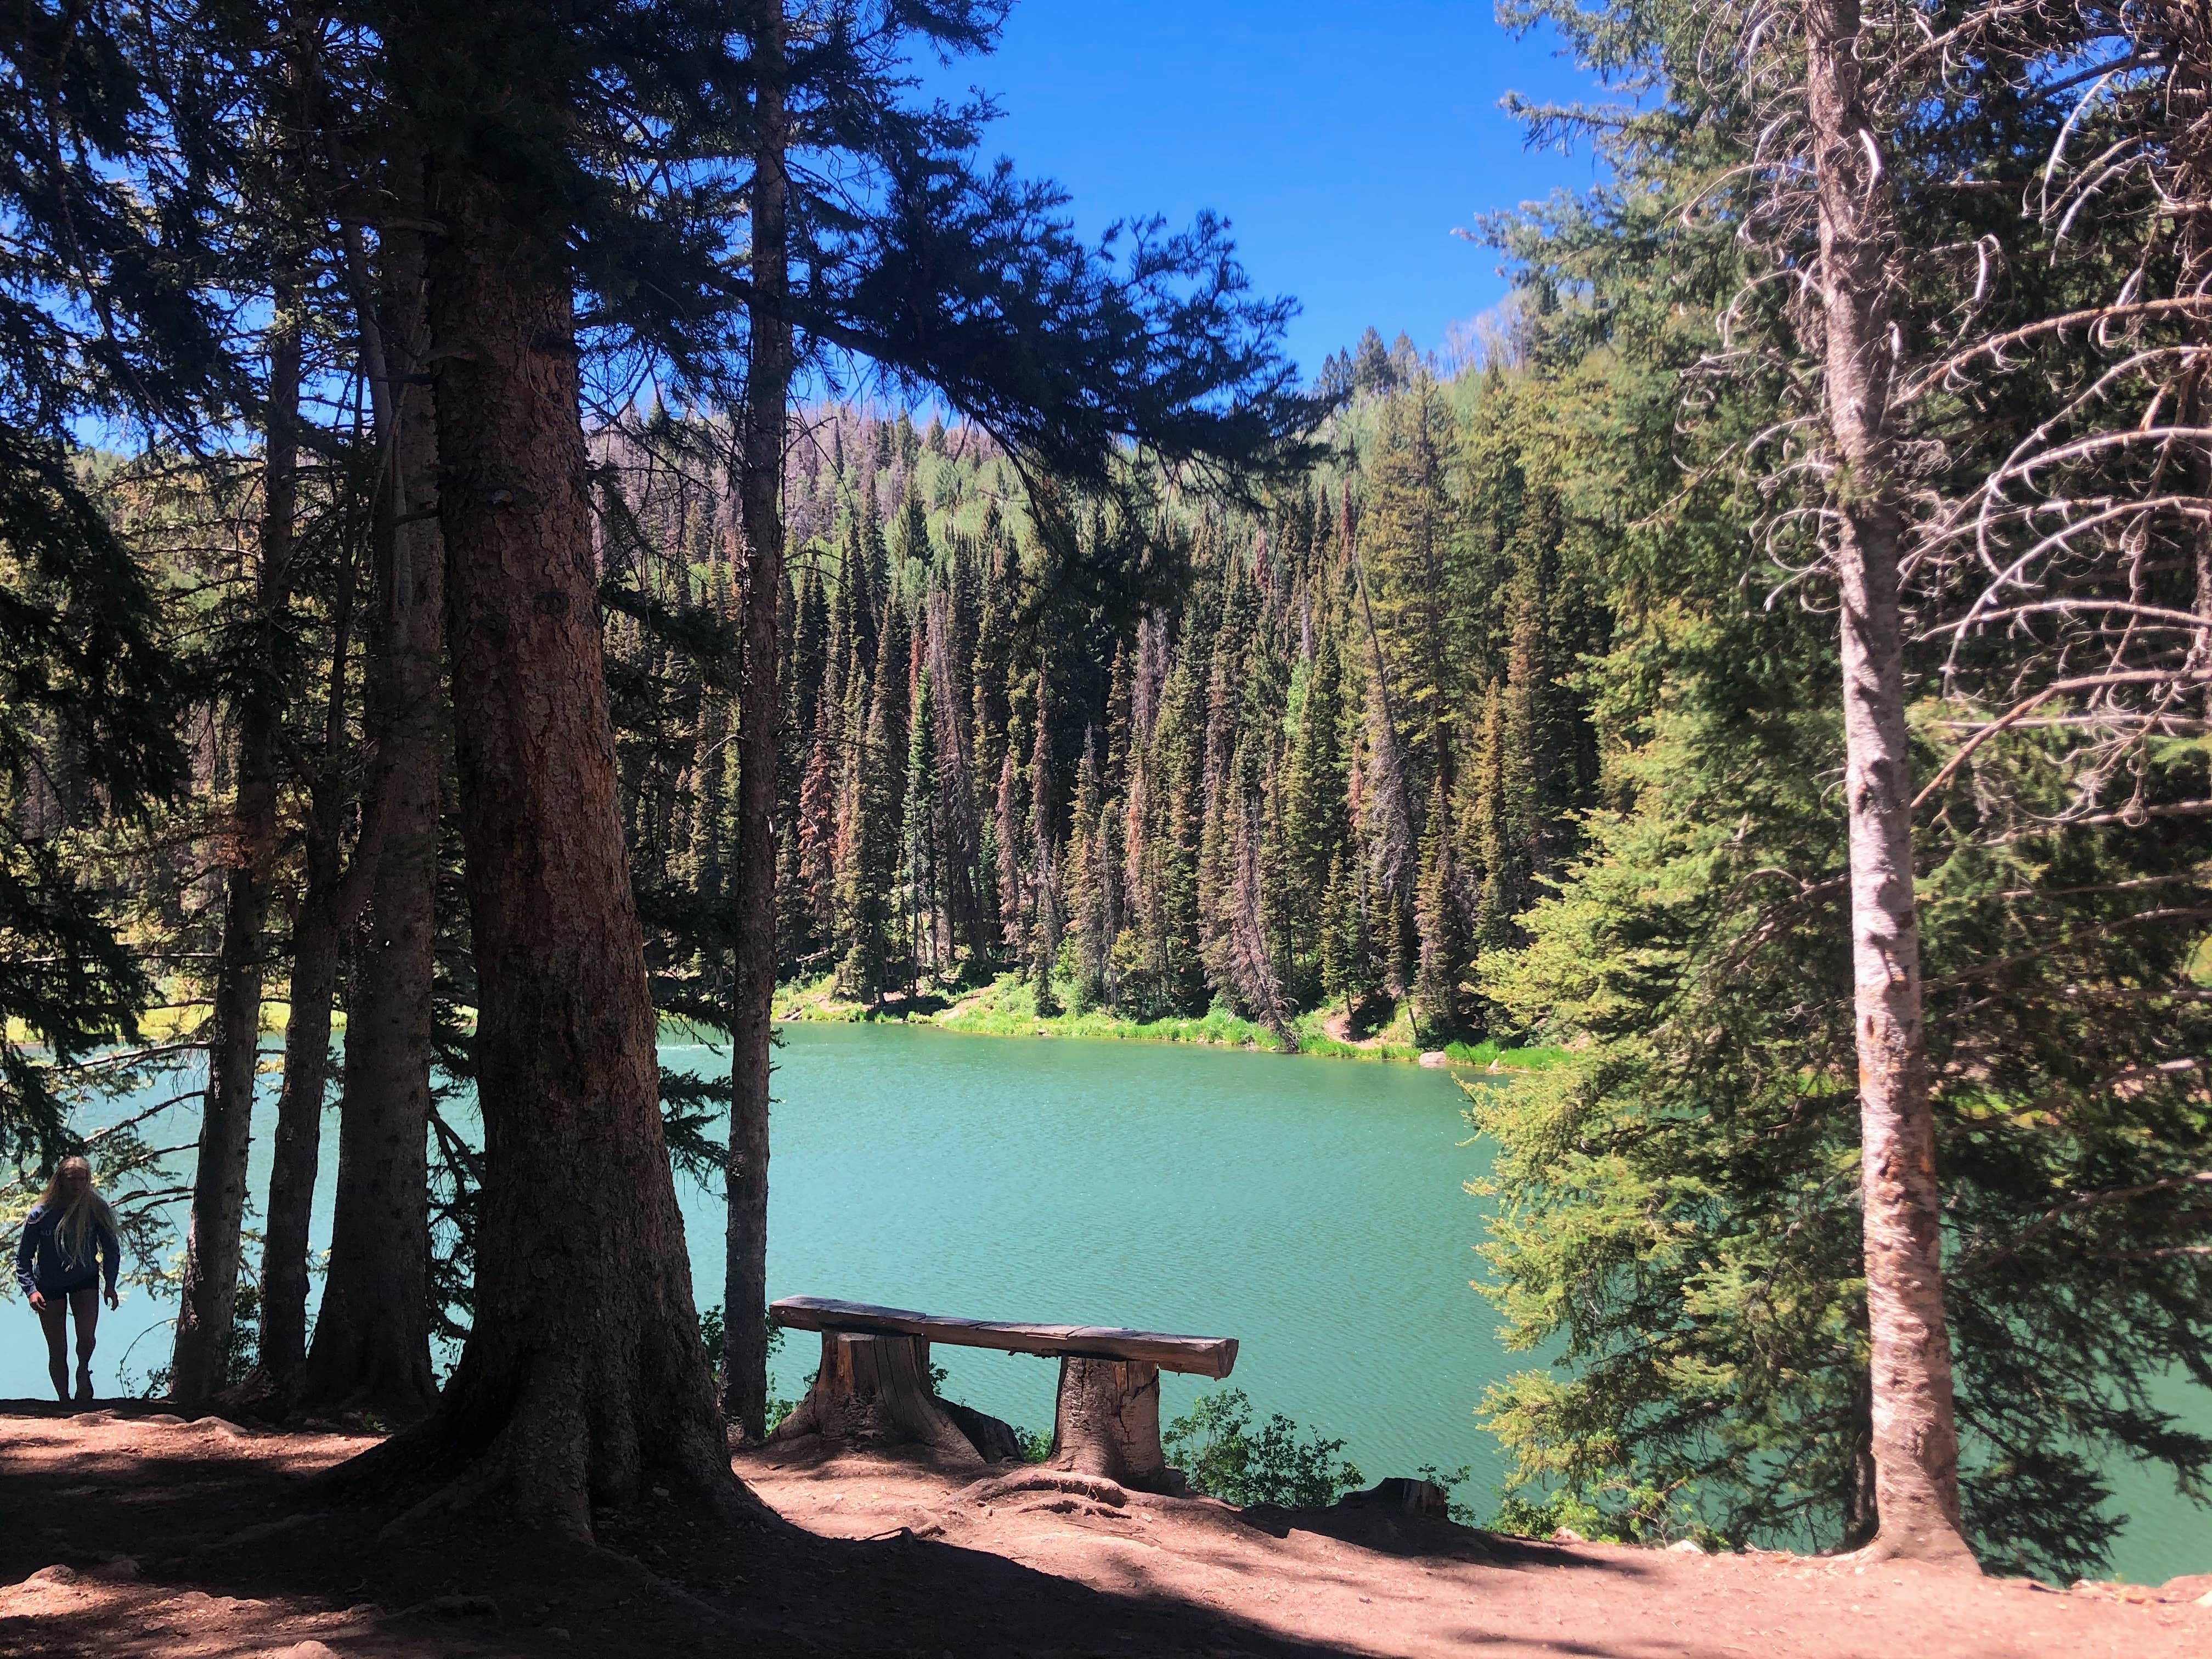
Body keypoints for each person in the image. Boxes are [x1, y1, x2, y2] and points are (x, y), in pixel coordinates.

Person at [14, 1156, 121, 1403]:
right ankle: (64, 1401)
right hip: (49, 1285)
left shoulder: (95, 1210)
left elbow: (111, 1249)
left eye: (81, 1179)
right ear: (60, 1181)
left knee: (86, 1338)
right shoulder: (40, 1215)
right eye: (71, 1179)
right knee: (58, 1349)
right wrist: (31, 1290)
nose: (76, 1185)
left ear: (88, 1181)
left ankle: (83, 1370)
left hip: (84, 1279)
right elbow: (23, 1259)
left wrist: (111, 1285)